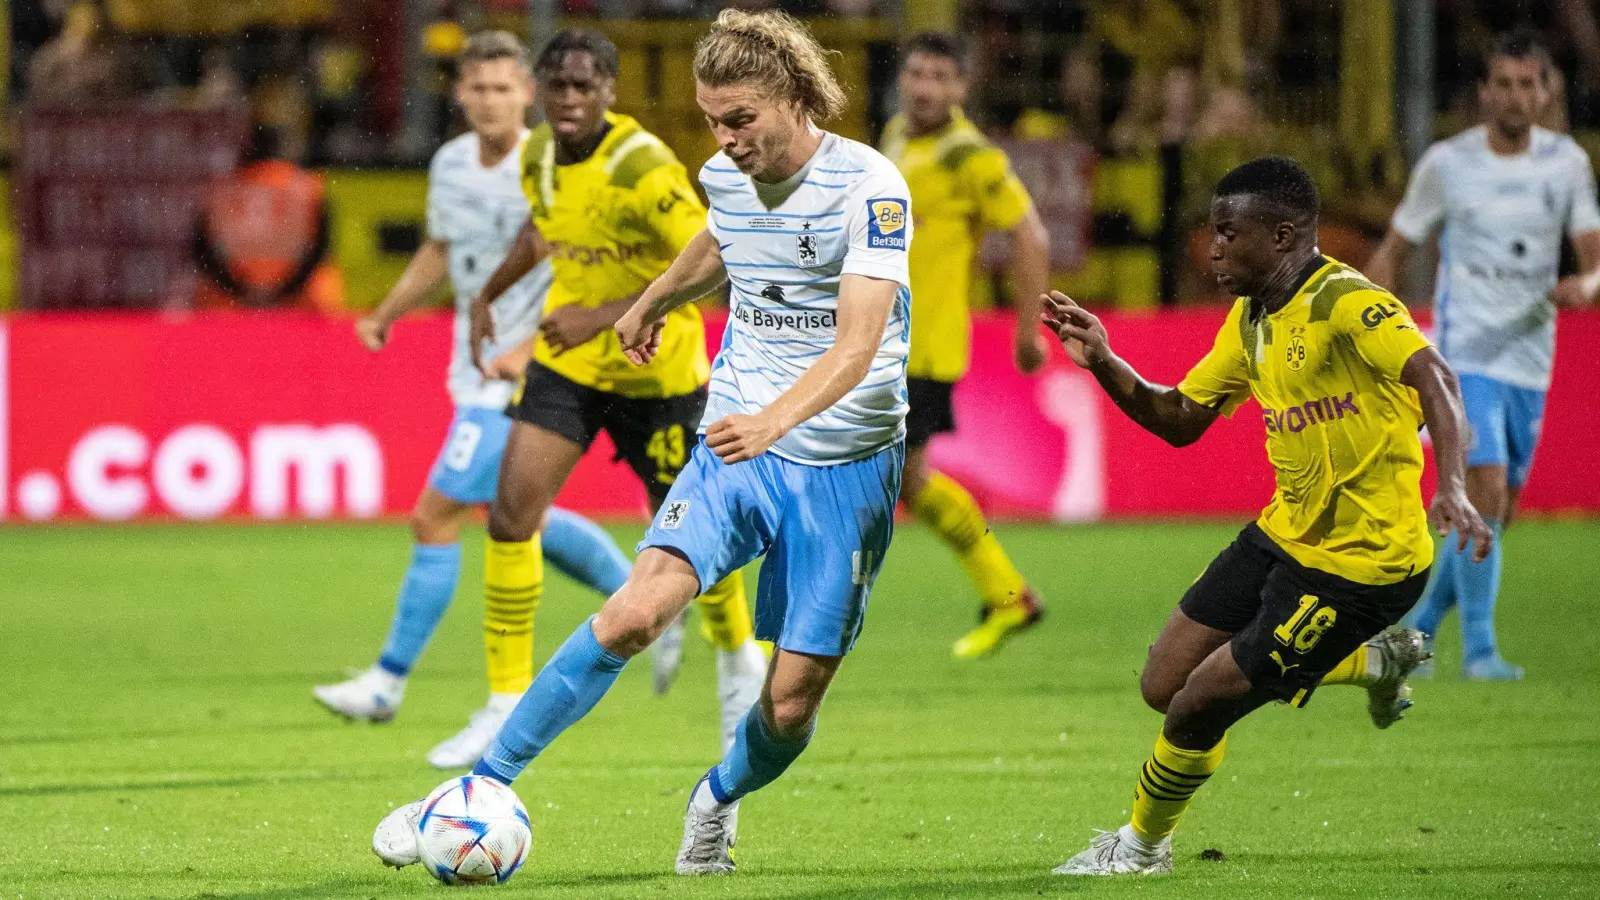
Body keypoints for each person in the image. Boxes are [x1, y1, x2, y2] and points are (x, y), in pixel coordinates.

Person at [371, 9, 911, 876]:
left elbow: (857, 345)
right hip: (739, 445)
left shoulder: (871, 188)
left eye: (741, 119)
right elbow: (718, 238)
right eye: (712, 120)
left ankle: (716, 797)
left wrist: (777, 419)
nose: (726, 140)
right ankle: (473, 788)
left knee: (792, 702)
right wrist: (651, 300)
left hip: (847, 462)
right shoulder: (726, 175)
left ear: (794, 97)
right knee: (632, 612)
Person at [1046, 156, 1492, 875]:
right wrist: (1104, 359)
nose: (1212, 248)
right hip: (1285, 536)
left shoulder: (1347, 302)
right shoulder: (1250, 318)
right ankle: (1375, 663)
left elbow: (1433, 374)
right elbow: (1183, 417)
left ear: (1283, 237)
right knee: (1162, 684)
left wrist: (1455, 486)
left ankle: (1140, 847)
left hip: (1364, 566)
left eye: (1228, 233)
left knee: (1197, 706)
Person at [310, 32, 633, 769]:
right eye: (476, 88)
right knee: (517, 516)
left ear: (527, 92)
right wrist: (388, 311)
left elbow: (580, 254)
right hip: (475, 363)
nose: (488, 100)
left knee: (436, 514)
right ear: (459, 94)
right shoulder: (451, 163)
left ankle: (389, 682)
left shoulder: (550, 162)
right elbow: (439, 247)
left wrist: (533, 347)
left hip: (530, 369)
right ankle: (645, 601)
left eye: (501, 88)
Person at [461, 28, 766, 757]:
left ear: (607, 92)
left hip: (661, 380)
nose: (569, 98)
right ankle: (504, 700)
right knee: (510, 515)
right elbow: (547, 231)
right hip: (572, 369)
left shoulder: (642, 168)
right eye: (557, 85)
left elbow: (714, 257)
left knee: (695, 542)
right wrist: (489, 293)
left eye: (583, 85)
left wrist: (604, 315)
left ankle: (736, 658)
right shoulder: (536, 154)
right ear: (539, 90)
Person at [1367, 31, 1600, 681]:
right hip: (1464, 354)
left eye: (1528, 85)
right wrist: (1350, 317)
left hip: (1532, 356)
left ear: (1547, 92)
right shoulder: (1448, 164)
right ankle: (1480, 652)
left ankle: (1414, 631)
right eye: (1503, 84)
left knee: (1498, 511)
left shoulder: (1568, 165)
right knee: (1486, 490)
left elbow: (1595, 257)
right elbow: (1397, 247)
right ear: (1482, 93)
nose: (1515, 97)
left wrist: (1587, 285)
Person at [878, 33, 1052, 659]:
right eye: (915, 71)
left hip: (921, 344)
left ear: (961, 89)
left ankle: (1009, 594)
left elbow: (1030, 237)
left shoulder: (968, 155)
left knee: (901, 478)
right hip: (879, 339)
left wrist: (1028, 330)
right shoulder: (897, 135)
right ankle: (1008, 595)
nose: (923, 86)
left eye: (939, 76)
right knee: (905, 480)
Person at [191, 124, 343, 313]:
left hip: (232, 304)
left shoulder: (221, 190)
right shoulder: (307, 186)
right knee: (326, 281)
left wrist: (241, 291)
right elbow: (322, 247)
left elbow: (201, 252)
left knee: (205, 293)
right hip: (297, 302)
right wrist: (283, 291)